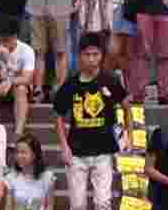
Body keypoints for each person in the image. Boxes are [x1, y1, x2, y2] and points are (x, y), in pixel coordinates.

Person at [53, 32, 128, 210]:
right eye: (87, 54)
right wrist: (64, 146)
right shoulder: (70, 84)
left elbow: (126, 107)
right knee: (77, 205)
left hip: (103, 151)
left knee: (102, 203)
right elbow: (58, 116)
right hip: (76, 152)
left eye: (96, 54)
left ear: (102, 56)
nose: (92, 59)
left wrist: (127, 135)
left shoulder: (111, 79)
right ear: (80, 56)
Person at [6, 134, 54, 210]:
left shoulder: (47, 177)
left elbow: (49, 206)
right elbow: (8, 207)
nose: (19, 156)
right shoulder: (11, 177)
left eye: (23, 152)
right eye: (17, 152)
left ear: (34, 155)